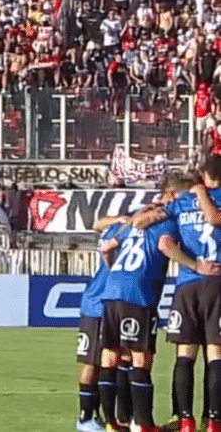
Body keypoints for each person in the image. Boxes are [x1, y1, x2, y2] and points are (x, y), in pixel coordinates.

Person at [97, 174, 216, 432]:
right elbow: (165, 245)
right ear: (174, 197)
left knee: (111, 356)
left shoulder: (140, 218)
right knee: (142, 359)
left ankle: (112, 422)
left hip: (112, 289)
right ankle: (144, 424)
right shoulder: (171, 220)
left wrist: (113, 272)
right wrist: (195, 264)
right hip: (139, 294)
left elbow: (107, 247)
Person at [134, 158, 221, 432]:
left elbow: (143, 223)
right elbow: (214, 219)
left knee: (185, 354)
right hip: (216, 283)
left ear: (204, 174)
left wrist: (149, 213)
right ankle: (214, 422)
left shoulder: (182, 202)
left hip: (187, 286)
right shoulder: (206, 199)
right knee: (215, 355)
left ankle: (185, 420)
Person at [75, 216, 131, 432]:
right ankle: (85, 417)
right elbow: (97, 223)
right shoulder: (122, 232)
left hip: (113, 303)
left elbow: (97, 223)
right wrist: (122, 219)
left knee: (119, 358)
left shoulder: (115, 230)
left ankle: (115, 417)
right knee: (93, 361)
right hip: (97, 305)